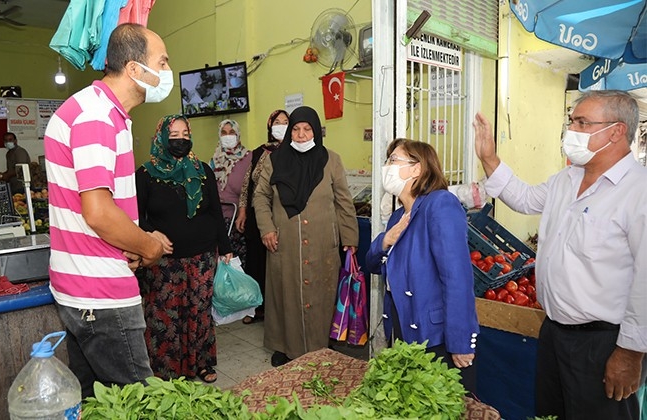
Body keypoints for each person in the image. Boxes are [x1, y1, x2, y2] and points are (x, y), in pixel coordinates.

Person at [473, 90, 647, 419]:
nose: (572, 130)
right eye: (572, 121)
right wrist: (490, 159)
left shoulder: (638, 191)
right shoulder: (566, 179)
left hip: (604, 342)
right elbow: (523, 199)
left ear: (616, 131)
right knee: (551, 413)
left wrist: (630, 353)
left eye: (582, 122)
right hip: (555, 332)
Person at [43, 23, 173, 398]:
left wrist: (127, 243)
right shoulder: (96, 117)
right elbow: (98, 213)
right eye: (161, 63)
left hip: (84, 284)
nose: (166, 72)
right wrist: (148, 246)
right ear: (134, 69)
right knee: (137, 401)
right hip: (100, 294)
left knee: (96, 401)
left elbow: (103, 209)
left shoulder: (100, 111)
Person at [365, 139, 480, 393]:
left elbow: (457, 278)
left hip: (435, 335)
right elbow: (372, 264)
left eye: (394, 160)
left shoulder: (439, 204)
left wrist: (461, 341)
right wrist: (385, 240)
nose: (387, 167)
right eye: (388, 161)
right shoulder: (398, 216)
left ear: (417, 169)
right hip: (402, 329)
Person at [252, 105, 359, 367]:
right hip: (284, 241)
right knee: (285, 294)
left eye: (306, 129)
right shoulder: (274, 160)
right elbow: (261, 196)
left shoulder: (331, 160)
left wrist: (350, 238)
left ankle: (321, 343)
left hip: (324, 240)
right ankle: (284, 346)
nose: (300, 135)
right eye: (296, 129)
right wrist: (266, 228)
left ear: (316, 132)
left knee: (322, 293)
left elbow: (344, 201)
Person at [136, 114, 233, 384]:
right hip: (163, 261)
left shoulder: (202, 170)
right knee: (165, 316)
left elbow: (215, 211)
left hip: (202, 257)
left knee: (199, 313)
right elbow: (135, 215)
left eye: (185, 135)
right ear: (161, 138)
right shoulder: (145, 174)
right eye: (174, 135)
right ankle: (166, 370)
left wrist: (225, 247)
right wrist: (150, 235)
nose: (180, 140)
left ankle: (200, 363)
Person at [235, 109, 289, 324]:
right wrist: (242, 210)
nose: (281, 125)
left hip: (282, 215)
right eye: (278, 122)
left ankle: (277, 311)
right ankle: (255, 309)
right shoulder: (259, 152)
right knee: (256, 264)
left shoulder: (293, 152)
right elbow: (248, 184)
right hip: (258, 214)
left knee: (278, 266)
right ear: (270, 124)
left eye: (286, 122)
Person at [209, 119, 252, 267]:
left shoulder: (249, 159)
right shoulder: (214, 160)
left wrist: (243, 211)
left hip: (239, 222)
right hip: (216, 222)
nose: (228, 136)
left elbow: (251, 191)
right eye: (224, 133)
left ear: (238, 135)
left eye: (232, 133)